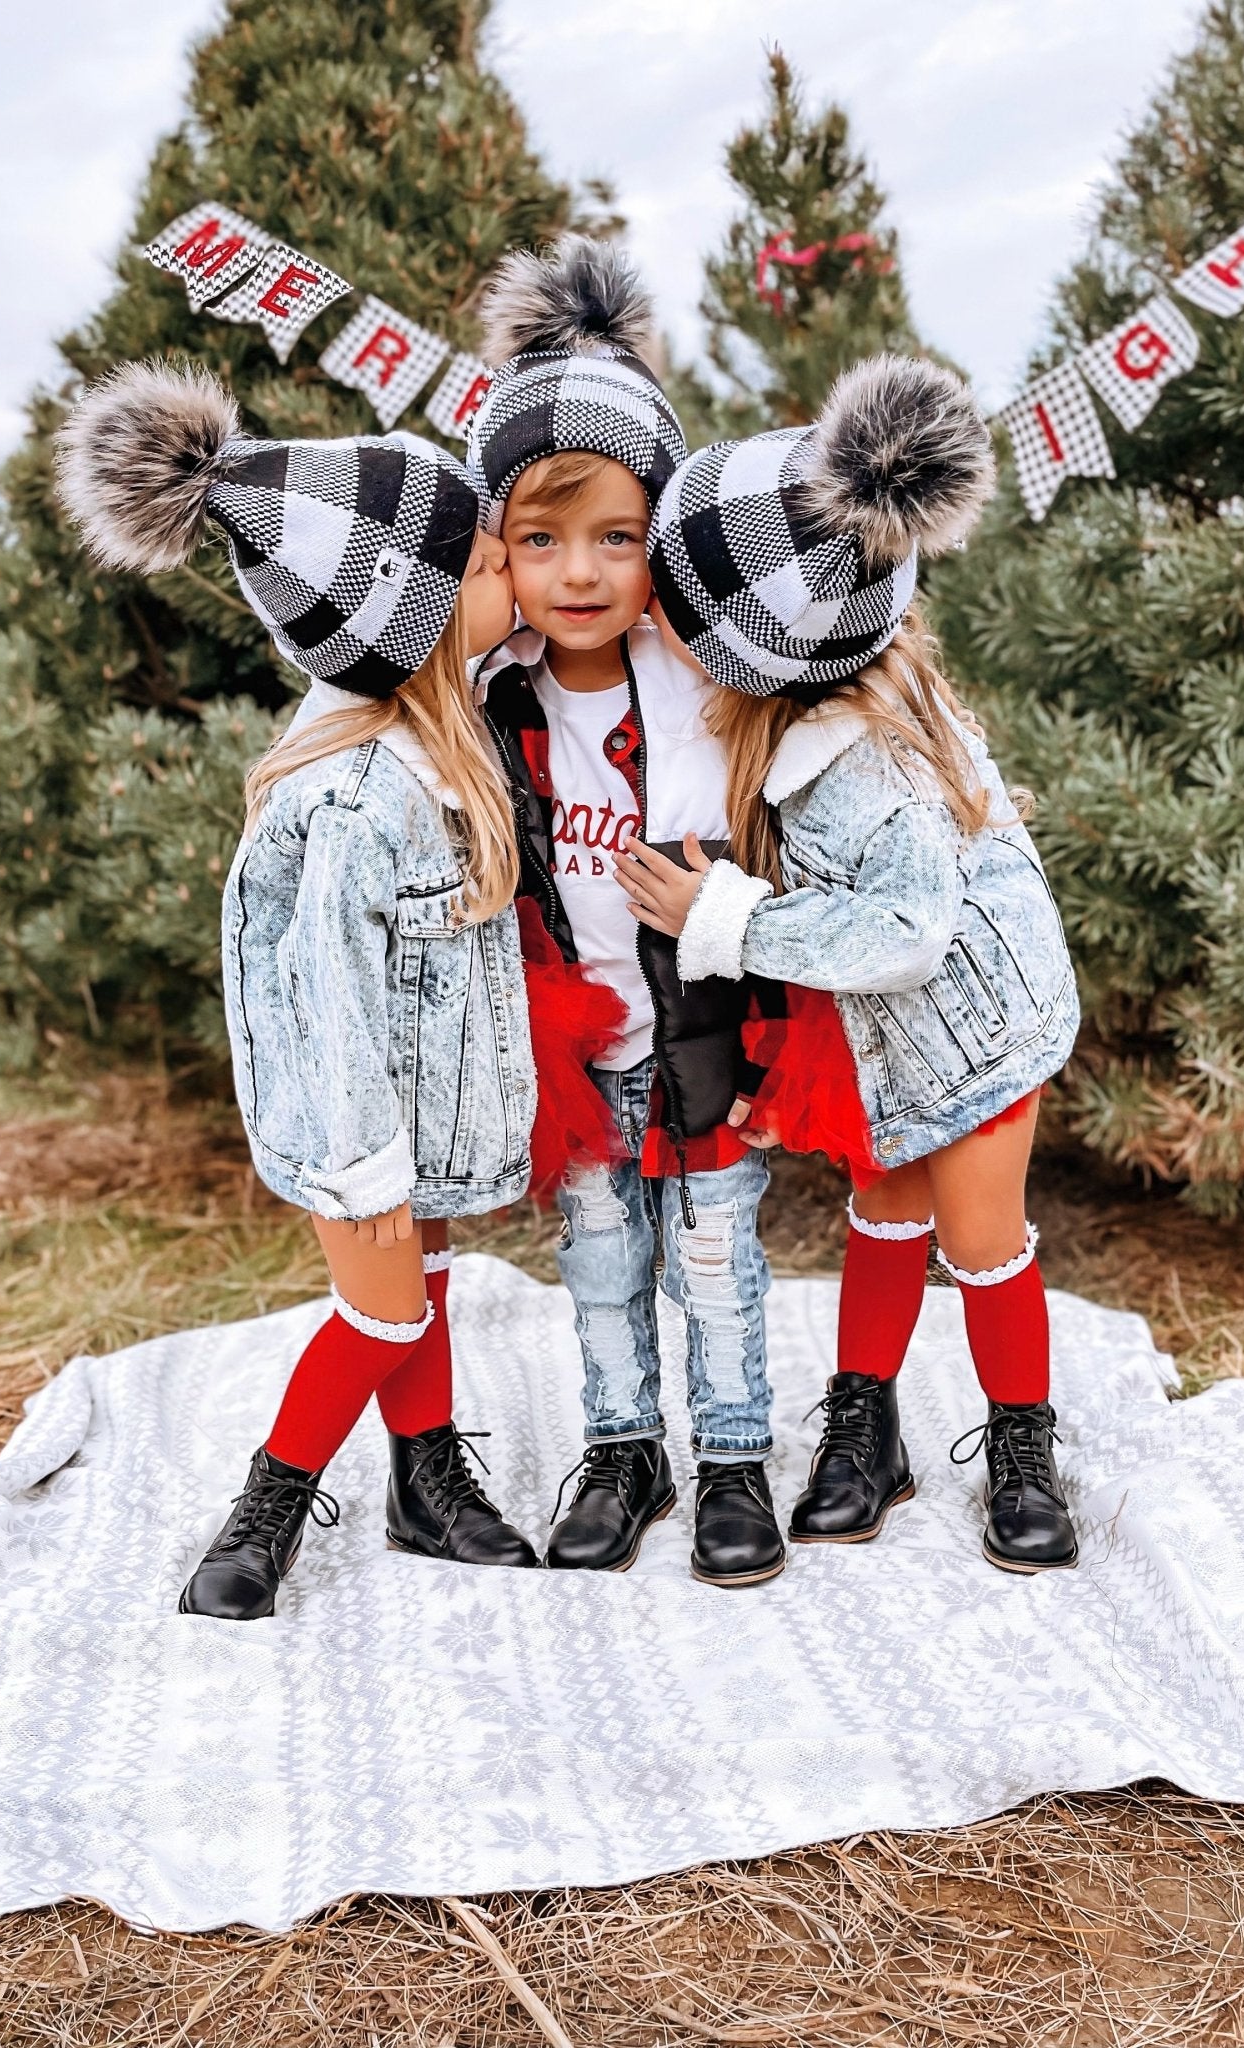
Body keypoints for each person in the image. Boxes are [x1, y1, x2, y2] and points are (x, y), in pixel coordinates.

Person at [55, 359, 539, 1618]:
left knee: (418, 1282)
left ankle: (426, 1481)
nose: (515, 574)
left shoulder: (436, 719)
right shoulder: (350, 794)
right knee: (377, 1311)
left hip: (414, 1102)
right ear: (419, 614)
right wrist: (367, 1163)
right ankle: (264, 1508)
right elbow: (323, 1001)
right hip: (357, 1115)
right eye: (490, 563)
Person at [621, 355, 1084, 1574]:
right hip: (883, 1021)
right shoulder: (792, 699)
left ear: (743, 648)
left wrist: (726, 918)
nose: (656, 614)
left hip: (976, 1020)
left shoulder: (858, 763)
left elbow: (907, 932)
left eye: (672, 600)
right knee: (881, 1208)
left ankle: (1022, 1445)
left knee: (977, 1231)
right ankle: (864, 1426)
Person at [470, 236, 789, 1588]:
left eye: (617, 536)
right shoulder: (499, 688)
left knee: (715, 1258)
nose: (582, 572)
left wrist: (735, 898)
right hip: (575, 1040)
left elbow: (803, 800)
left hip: (703, 1027)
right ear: (500, 551)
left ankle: (728, 1457)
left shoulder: (712, 674)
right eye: (541, 541)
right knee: (597, 1260)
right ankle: (621, 1447)